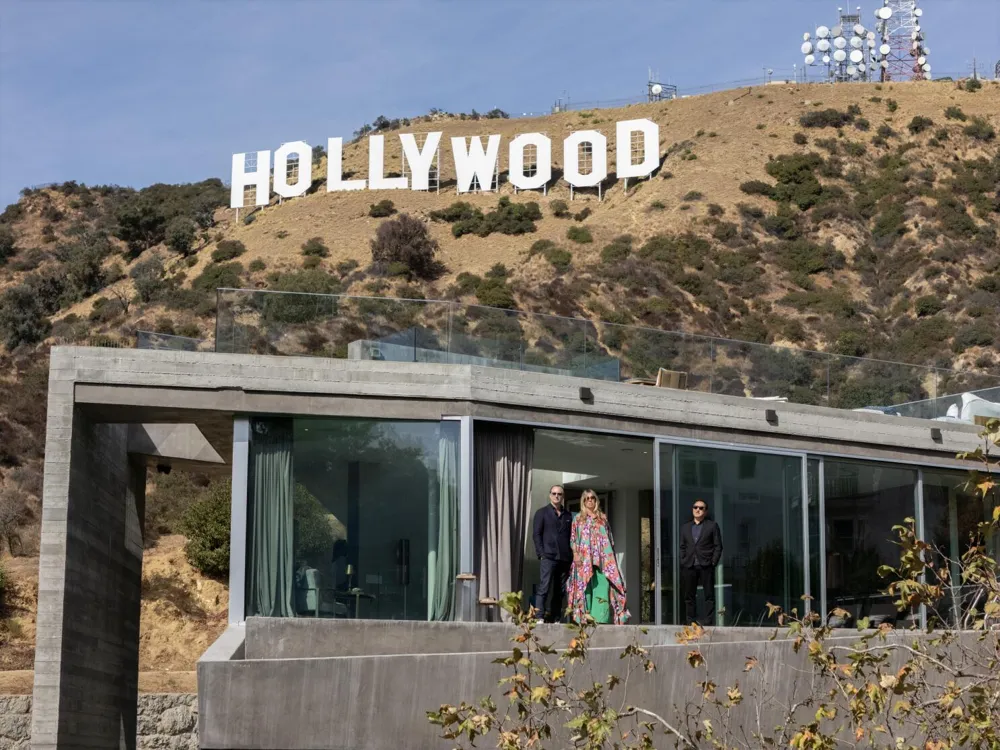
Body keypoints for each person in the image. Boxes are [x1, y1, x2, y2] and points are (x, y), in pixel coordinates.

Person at [567, 490, 630, 625]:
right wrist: (576, 555)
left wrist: (611, 559)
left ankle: (601, 618)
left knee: (603, 584)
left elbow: (610, 539)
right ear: (583, 501)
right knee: (585, 586)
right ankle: (585, 618)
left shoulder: (602, 518)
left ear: (596, 501)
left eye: (592, 498)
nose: (590, 500)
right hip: (584, 558)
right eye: (587, 498)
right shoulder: (578, 519)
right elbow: (573, 539)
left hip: (603, 559)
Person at [532, 484, 573, 622]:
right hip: (548, 556)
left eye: (559, 494)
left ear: (563, 497)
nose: (557, 496)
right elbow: (536, 535)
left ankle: (555, 617)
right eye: (554, 493)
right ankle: (539, 616)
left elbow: (572, 537)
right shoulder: (541, 513)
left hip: (564, 558)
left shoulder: (568, 516)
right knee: (544, 587)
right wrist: (541, 554)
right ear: (550, 495)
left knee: (559, 591)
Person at [679, 498, 723, 626]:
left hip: (706, 565)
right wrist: (683, 559)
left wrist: (713, 562)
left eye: (701, 508)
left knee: (708, 595)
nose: (697, 510)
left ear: (705, 511)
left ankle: (708, 620)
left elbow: (718, 546)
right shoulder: (685, 527)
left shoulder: (712, 526)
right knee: (689, 595)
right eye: (695, 507)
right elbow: (682, 546)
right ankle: (690, 620)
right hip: (689, 565)